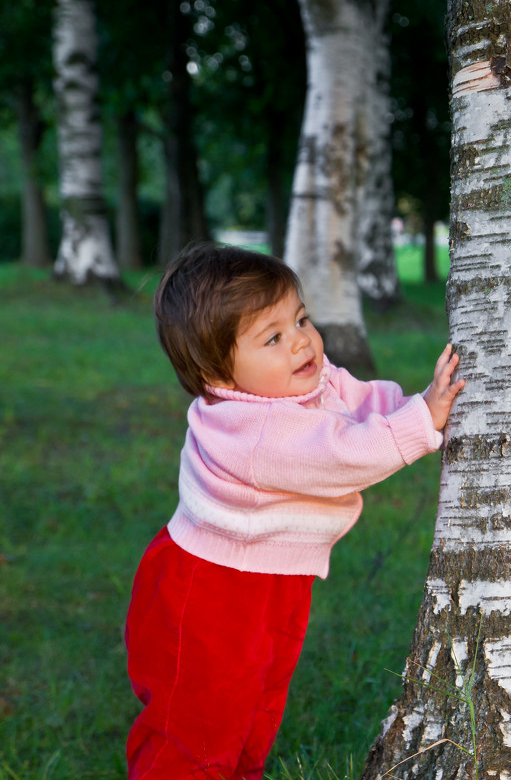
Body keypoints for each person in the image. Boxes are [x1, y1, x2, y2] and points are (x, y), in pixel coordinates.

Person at [124, 243, 465, 779]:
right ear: (218, 371)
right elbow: (341, 452)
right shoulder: (256, 433)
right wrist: (421, 421)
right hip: (213, 588)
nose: (302, 341)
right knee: (197, 723)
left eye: (301, 318)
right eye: (273, 337)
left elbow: (355, 400)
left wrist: (413, 404)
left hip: (273, 580)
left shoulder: (294, 386)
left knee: (255, 707)